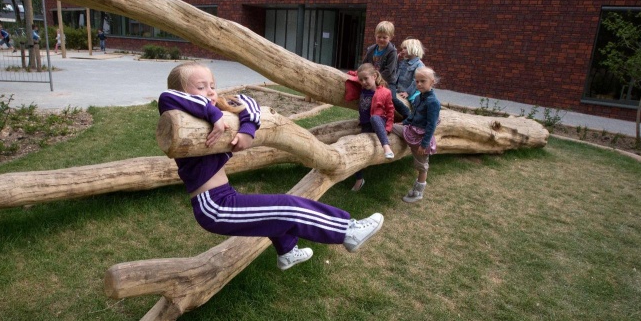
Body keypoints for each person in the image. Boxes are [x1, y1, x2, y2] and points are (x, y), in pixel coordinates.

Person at [157, 62, 385, 270]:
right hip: (213, 206)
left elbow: (249, 102)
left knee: (273, 212)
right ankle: (348, 231)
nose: (210, 92)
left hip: (224, 195)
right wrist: (212, 111)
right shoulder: (178, 116)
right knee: (287, 208)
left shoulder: (214, 113)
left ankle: (286, 251)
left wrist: (247, 129)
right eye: (201, 87)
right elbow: (166, 97)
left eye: (212, 85)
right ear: (183, 93)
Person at [392, 67, 441, 203]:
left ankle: (418, 192)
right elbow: (413, 115)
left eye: (422, 81)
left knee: (421, 165)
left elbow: (431, 125)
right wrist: (405, 122)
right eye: (417, 81)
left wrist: (424, 144)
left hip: (421, 138)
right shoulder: (419, 97)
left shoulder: (433, 102)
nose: (419, 84)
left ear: (432, 82)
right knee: (390, 128)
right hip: (411, 130)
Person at [351, 63, 395, 192]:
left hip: (379, 122)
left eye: (366, 79)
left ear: (374, 76)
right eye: (361, 80)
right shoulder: (362, 90)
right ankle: (359, 179)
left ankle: (386, 147)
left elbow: (391, 112)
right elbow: (353, 75)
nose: (364, 82)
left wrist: (388, 128)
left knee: (374, 117)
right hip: (366, 126)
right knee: (358, 148)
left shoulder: (385, 92)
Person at [361, 20, 410, 118]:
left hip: (387, 80)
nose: (381, 39)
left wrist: (377, 79)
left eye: (385, 37)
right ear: (375, 36)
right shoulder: (371, 50)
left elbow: (389, 70)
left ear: (391, 37)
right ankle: (366, 116)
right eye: (379, 37)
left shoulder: (392, 52)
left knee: (392, 98)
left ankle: (408, 114)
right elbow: (365, 63)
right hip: (372, 78)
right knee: (365, 95)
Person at [394, 38, 425, 104]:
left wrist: (407, 93)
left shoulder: (419, 65)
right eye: (402, 48)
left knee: (415, 103)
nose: (402, 50)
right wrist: (396, 59)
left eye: (405, 48)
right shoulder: (403, 62)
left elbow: (416, 81)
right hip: (400, 90)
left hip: (412, 92)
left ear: (413, 49)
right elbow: (395, 73)